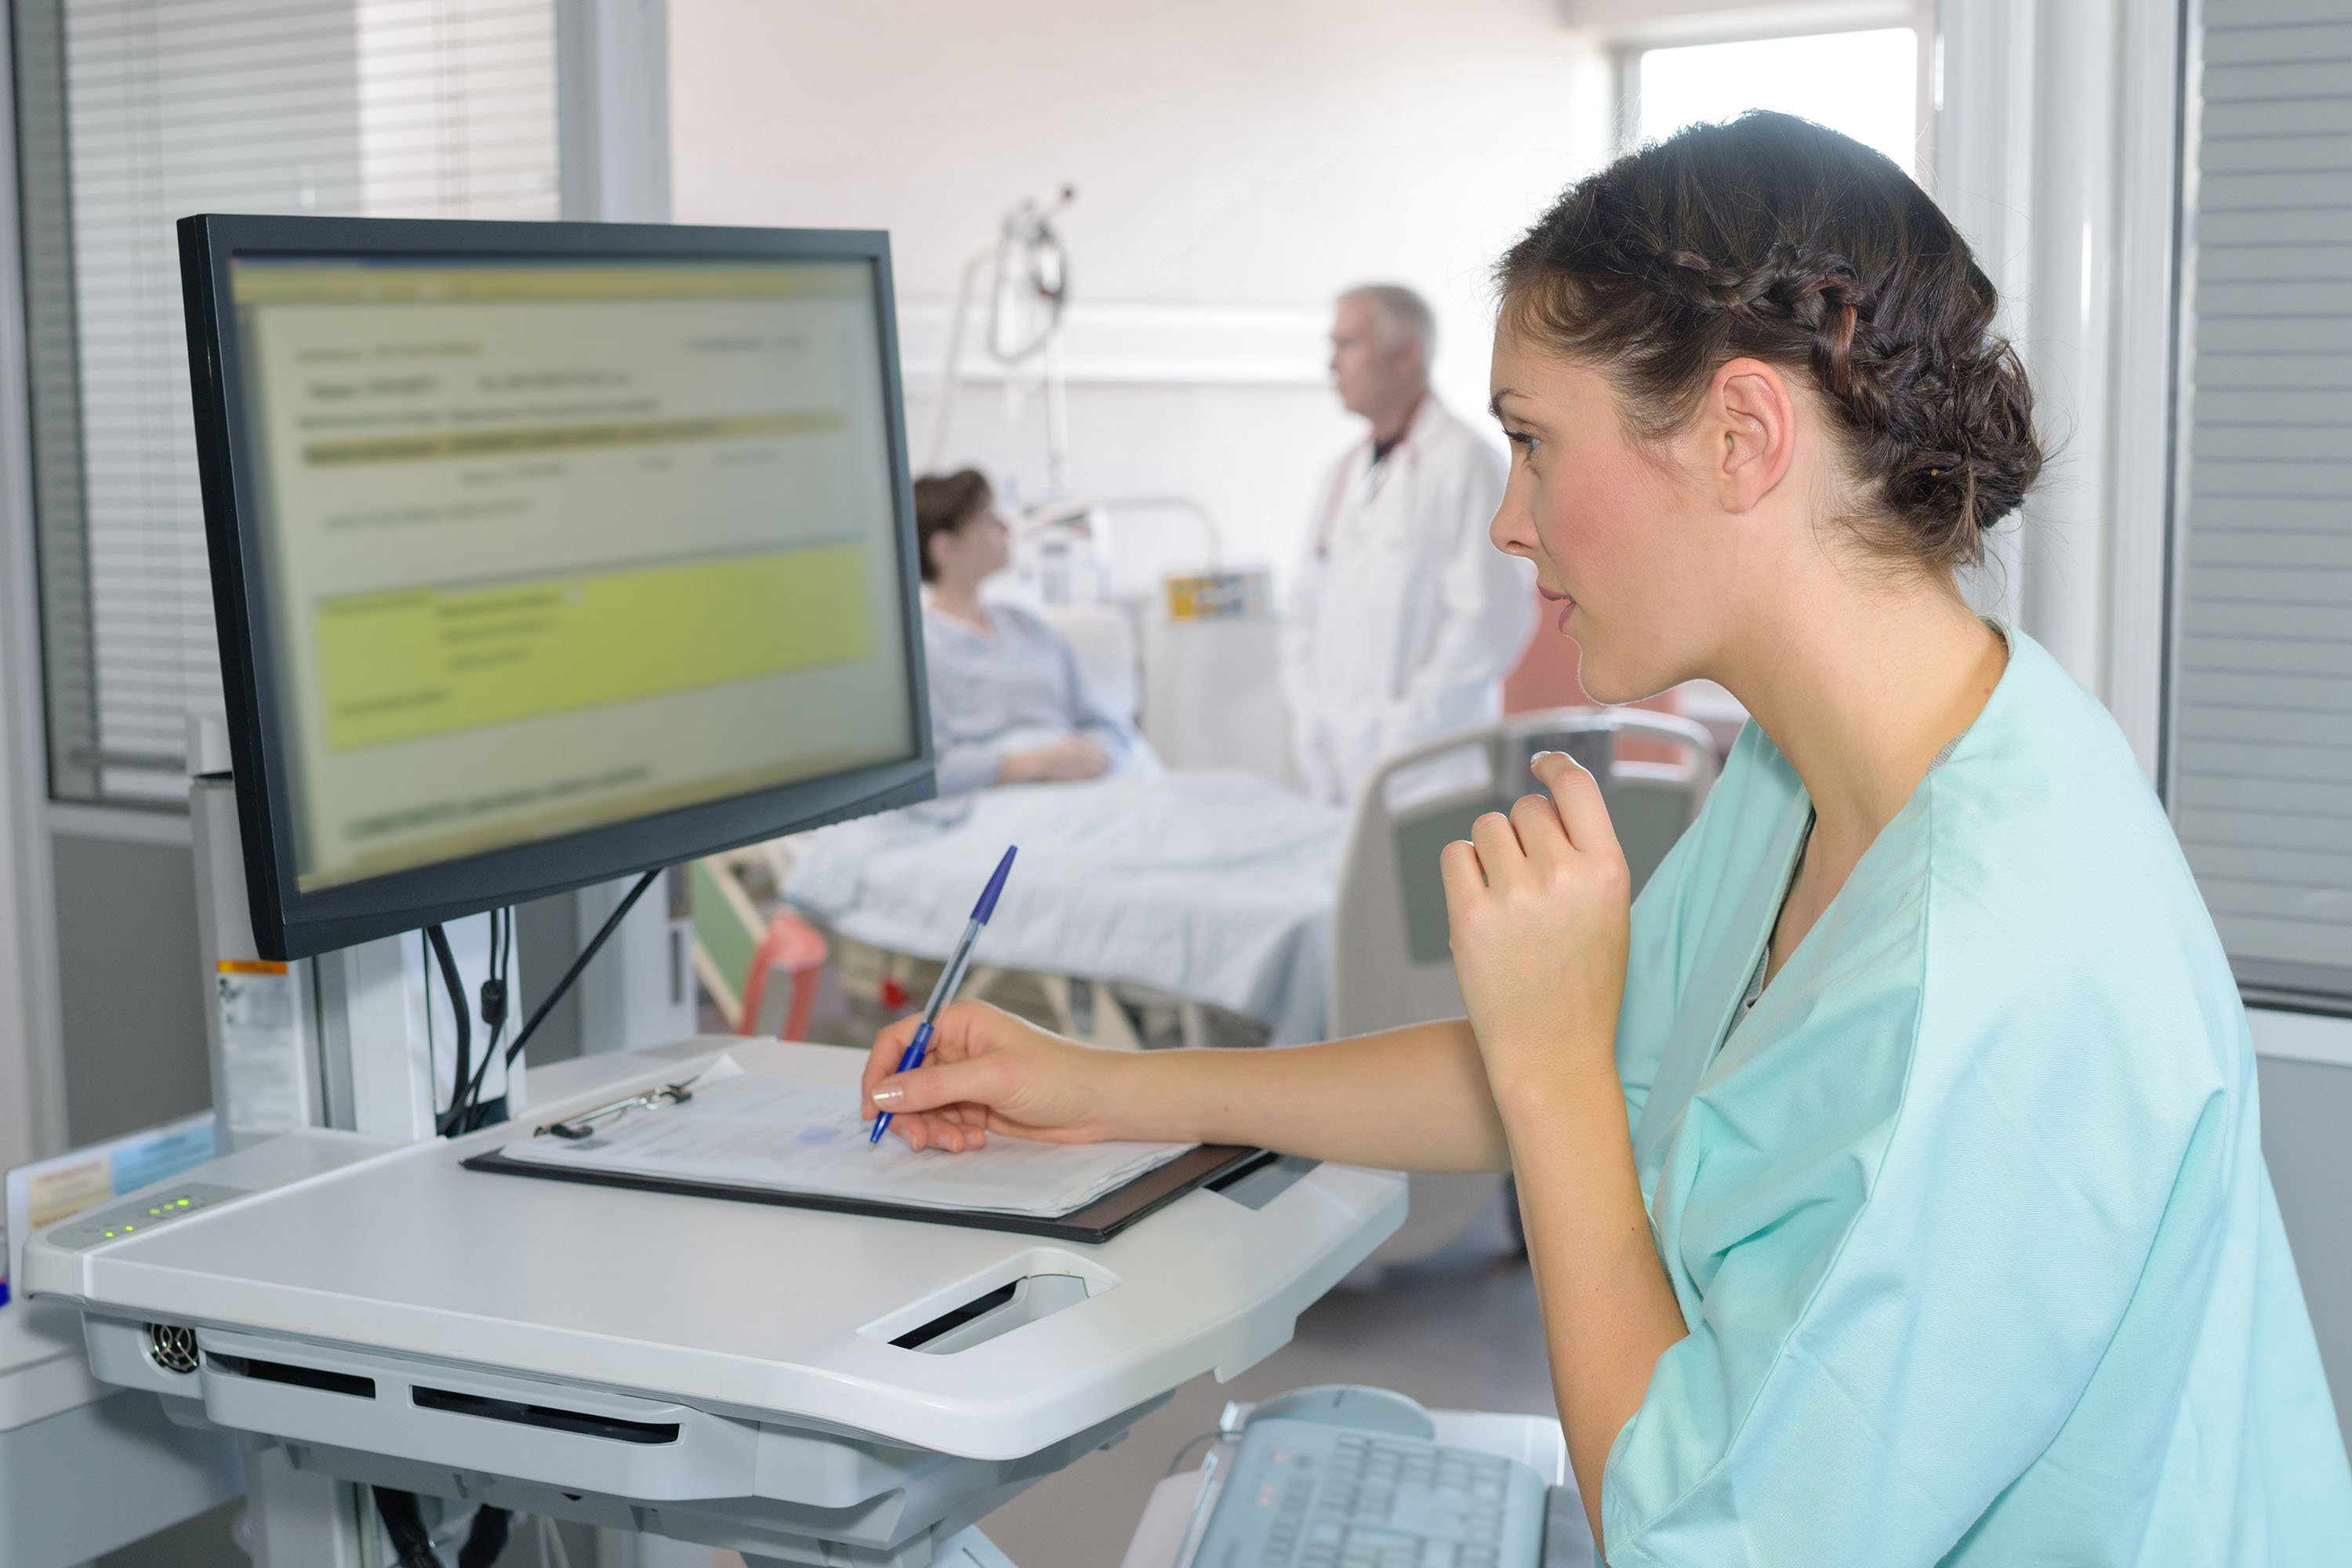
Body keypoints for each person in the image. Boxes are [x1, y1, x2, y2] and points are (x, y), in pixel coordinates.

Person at [859, 114, 2352, 1564]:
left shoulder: (1986, 969)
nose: (1511, 522)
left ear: (1741, 435)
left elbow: (1696, 1531)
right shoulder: (1832, 769)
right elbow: (1594, 1063)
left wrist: (1561, 1063)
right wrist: (1096, 1089)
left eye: (1534, 445)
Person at [1280, 282, 1536, 805]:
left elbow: (1491, 623)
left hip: (1430, 772)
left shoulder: (1467, 464)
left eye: (1347, 345)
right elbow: (1302, 615)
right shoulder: (1341, 476)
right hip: (1333, 773)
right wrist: (1314, 723)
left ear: (1405, 354)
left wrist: (1400, 734)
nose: (1332, 366)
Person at [913, 469, 1157, 795]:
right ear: (945, 549)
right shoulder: (921, 650)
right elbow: (929, 772)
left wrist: (1096, 758)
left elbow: (1106, 724)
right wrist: (1032, 764)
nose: (1006, 527)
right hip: (1000, 802)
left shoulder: (1028, 627)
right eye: (987, 520)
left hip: (1089, 785)